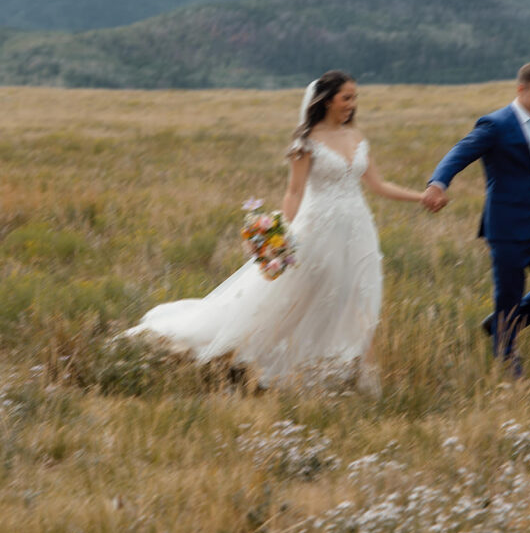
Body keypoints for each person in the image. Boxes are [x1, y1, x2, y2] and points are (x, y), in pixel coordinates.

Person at [125, 71, 425, 391]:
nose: (352, 104)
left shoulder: (357, 137)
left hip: (358, 230)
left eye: (355, 98)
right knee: (300, 296)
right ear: (326, 100)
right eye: (346, 97)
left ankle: (346, 365)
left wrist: (421, 197)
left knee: (356, 295)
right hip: (317, 229)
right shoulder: (306, 142)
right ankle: (273, 362)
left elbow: (378, 185)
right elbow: (294, 192)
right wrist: (281, 237)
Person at [422, 61, 530, 376]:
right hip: (507, 227)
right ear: (521, 89)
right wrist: (438, 183)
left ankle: (498, 326)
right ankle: (507, 356)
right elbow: (460, 152)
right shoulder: (495, 125)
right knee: (509, 295)